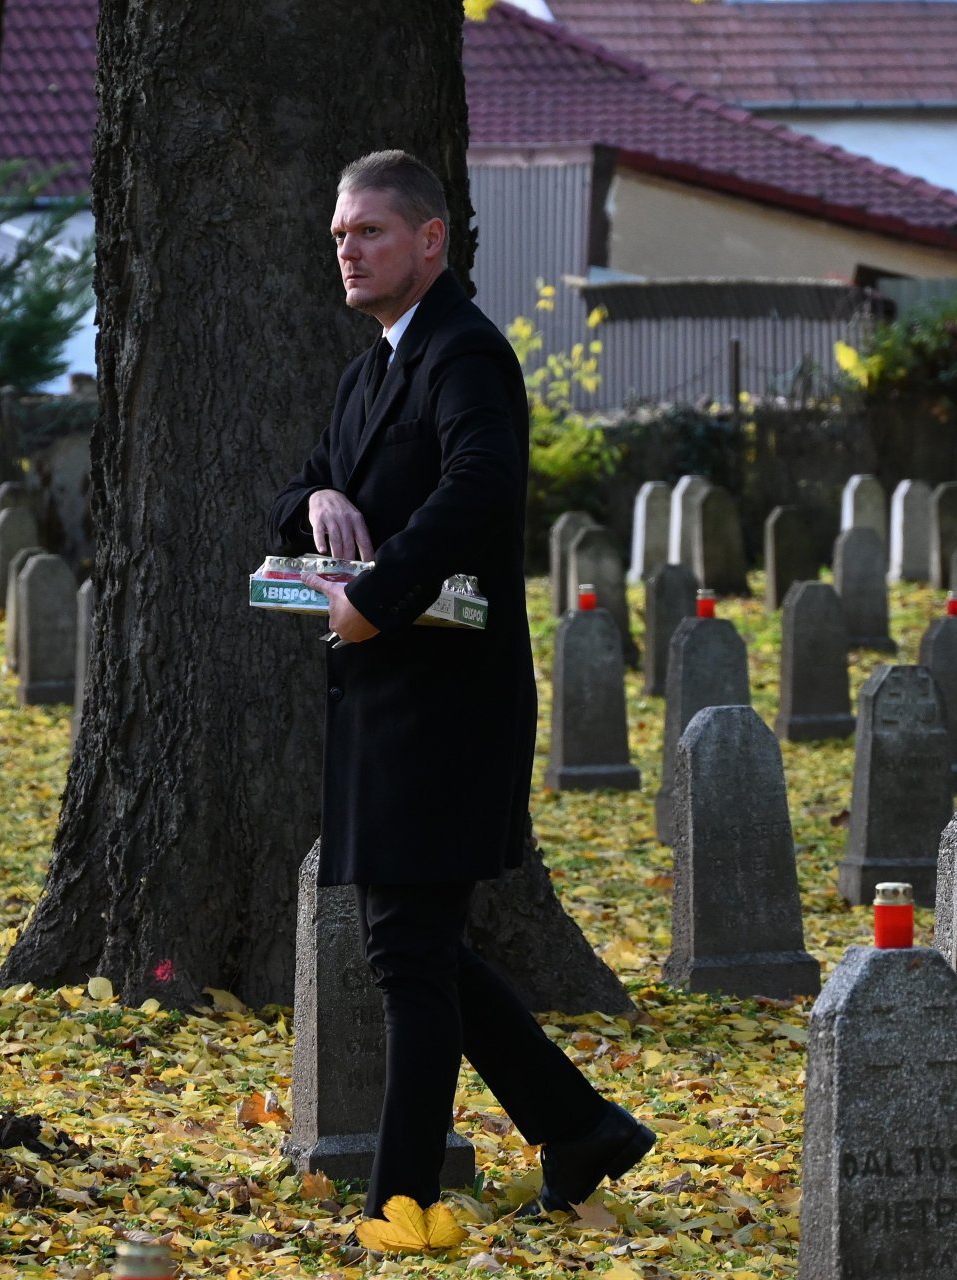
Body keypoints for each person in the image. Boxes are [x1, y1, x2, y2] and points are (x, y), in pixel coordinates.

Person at [265, 150, 654, 1223]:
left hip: (446, 702)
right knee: (419, 947)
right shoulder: (371, 366)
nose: (347, 248)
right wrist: (323, 500)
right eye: (340, 233)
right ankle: (582, 1128)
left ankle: (400, 1199)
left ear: (431, 240)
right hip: (382, 699)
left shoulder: (463, 352)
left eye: (370, 232)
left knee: (407, 957)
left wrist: (377, 592)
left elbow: (480, 488)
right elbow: (296, 486)